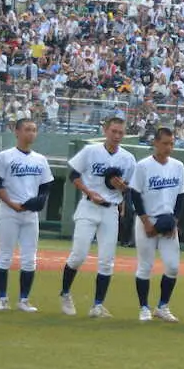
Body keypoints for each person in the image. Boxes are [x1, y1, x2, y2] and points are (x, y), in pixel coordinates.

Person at [60, 117, 138, 319]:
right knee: (78, 255)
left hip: (110, 209)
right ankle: (65, 293)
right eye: (114, 131)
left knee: (106, 260)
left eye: (121, 132)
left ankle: (98, 305)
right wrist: (89, 191)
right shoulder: (91, 150)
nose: (117, 136)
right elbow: (73, 175)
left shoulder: (128, 158)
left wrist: (124, 188)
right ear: (105, 130)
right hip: (89, 205)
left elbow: (129, 187)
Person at [0, 119, 54, 312]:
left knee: (29, 258)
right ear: (17, 132)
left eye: (34, 130)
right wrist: (12, 203)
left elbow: (46, 186)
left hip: (30, 214)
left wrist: (40, 200)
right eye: (27, 129)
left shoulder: (40, 160)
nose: (31, 133)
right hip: (9, 211)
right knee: (4, 256)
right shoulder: (4, 157)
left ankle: (23, 300)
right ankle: (2, 298)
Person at [129, 128, 184, 324]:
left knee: (172, 267)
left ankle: (162, 306)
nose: (169, 147)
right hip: (147, 221)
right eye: (165, 143)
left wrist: (175, 223)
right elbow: (135, 195)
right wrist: (146, 222)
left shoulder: (178, 166)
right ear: (155, 143)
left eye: (172, 143)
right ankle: (144, 307)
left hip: (168, 222)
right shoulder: (143, 166)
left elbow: (181, 197)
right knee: (145, 266)